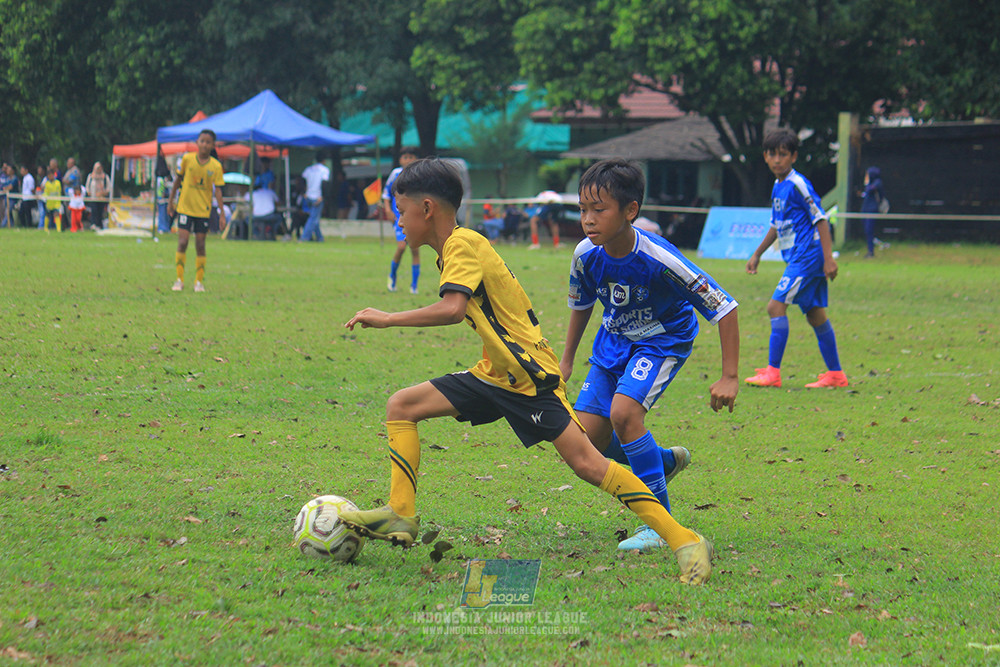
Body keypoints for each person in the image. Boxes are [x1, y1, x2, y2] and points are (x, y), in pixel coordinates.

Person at [342, 157, 714, 585]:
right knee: (402, 405)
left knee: (589, 464)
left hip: (528, 375)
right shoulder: (455, 248)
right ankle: (401, 514)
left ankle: (685, 540)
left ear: (427, 209)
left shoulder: (462, 244)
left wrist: (387, 317)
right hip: (494, 374)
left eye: (401, 212)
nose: (397, 223)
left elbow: (452, 309)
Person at [560, 158, 740, 552]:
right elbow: (581, 303)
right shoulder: (585, 255)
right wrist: (567, 359)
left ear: (630, 211)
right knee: (587, 436)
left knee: (625, 415)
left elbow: (723, 306)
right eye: (582, 209)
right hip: (612, 343)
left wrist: (729, 376)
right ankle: (660, 461)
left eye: (599, 210)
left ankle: (660, 525)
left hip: (662, 341)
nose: (588, 220)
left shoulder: (660, 259)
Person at [744, 128, 847, 389]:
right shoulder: (777, 186)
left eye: (783, 154)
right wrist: (757, 254)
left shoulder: (798, 184)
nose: (777, 159)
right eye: (772, 154)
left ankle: (772, 372)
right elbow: (776, 226)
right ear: (765, 157)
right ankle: (836, 375)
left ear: (793, 157)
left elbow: (820, 219)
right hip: (798, 257)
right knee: (815, 314)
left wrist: (828, 259)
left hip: (808, 255)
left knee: (775, 307)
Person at [166, 129, 226, 293]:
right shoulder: (187, 159)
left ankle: (198, 282)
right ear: (197, 142)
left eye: (208, 142)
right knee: (183, 242)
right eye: (202, 141)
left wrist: (222, 213)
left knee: (200, 245)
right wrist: (171, 201)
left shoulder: (215, 166)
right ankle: (179, 280)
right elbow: (177, 181)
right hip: (185, 208)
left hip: (203, 211)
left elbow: (219, 191)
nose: (204, 144)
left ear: (213, 145)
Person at [383, 147, 420, 293]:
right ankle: (392, 276)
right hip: (400, 217)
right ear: (400, 160)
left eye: (411, 157)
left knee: (415, 249)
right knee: (401, 247)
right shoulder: (396, 174)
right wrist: (387, 210)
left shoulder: (419, 176)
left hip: (415, 217)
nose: (408, 160)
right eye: (405, 157)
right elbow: (386, 194)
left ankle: (414, 286)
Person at [300, 153, 329, 242]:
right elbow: (324, 184)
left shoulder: (309, 169)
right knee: (313, 218)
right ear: (324, 161)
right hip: (317, 197)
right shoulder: (324, 170)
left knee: (314, 217)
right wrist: (323, 196)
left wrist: (303, 193)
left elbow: (302, 181)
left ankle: (320, 238)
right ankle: (304, 237)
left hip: (308, 196)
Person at [859, 166, 885, 259]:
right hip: (865, 209)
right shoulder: (870, 183)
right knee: (866, 230)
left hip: (872, 210)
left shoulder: (877, 182)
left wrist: (867, 183)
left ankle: (871, 251)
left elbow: (870, 190)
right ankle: (869, 250)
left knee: (869, 230)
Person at [85, 162, 110, 230]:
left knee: (100, 212)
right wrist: (89, 192)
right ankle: (93, 225)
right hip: (93, 198)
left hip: (102, 198)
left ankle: (100, 225)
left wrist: (103, 193)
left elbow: (108, 188)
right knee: (94, 211)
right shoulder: (91, 176)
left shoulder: (105, 177)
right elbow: (87, 187)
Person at [41, 166, 63, 231]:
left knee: (56, 214)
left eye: (51, 175)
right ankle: (45, 228)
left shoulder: (57, 183)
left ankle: (58, 229)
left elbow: (59, 192)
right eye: (49, 175)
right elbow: (46, 192)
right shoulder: (47, 184)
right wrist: (44, 197)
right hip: (49, 202)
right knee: (47, 215)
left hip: (56, 202)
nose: (50, 177)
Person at [0, 162, 16, 227]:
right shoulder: (9, 179)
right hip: (7, 198)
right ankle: (12, 226)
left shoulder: (14, 178)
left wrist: (5, 188)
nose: (7, 170)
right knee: (9, 214)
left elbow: (9, 187)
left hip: (12, 199)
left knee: (7, 213)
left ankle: (2, 226)